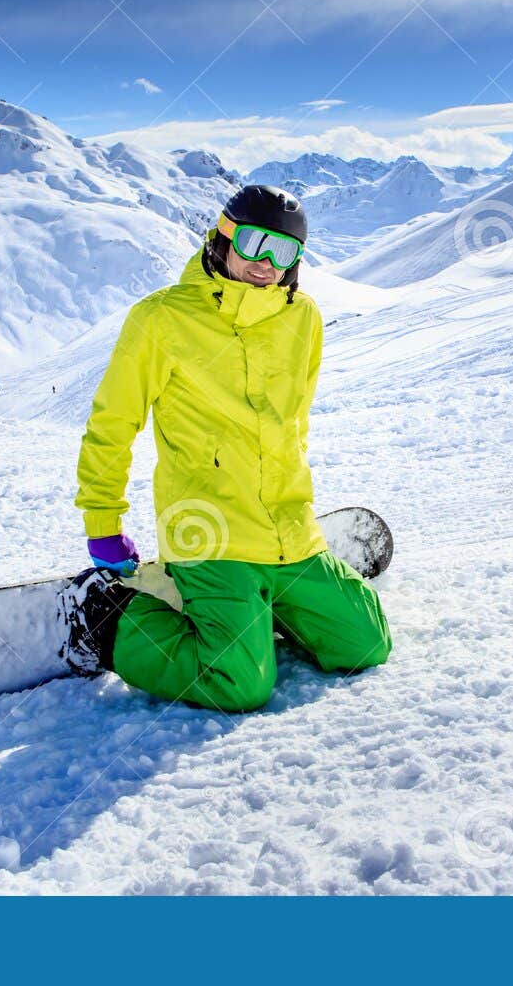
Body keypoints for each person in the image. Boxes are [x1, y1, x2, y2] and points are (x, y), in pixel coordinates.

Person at [64, 184, 392, 712]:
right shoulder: (162, 319)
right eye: (254, 243)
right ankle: (106, 615)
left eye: (283, 251)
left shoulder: (302, 317)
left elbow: (292, 425)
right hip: (209, 532)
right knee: (240, 684)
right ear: (222, 238)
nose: (266, 263)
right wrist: (103, 522)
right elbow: (113, 425)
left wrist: (296, 508)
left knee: (366, 644)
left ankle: (265, 609)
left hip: (287, 529)